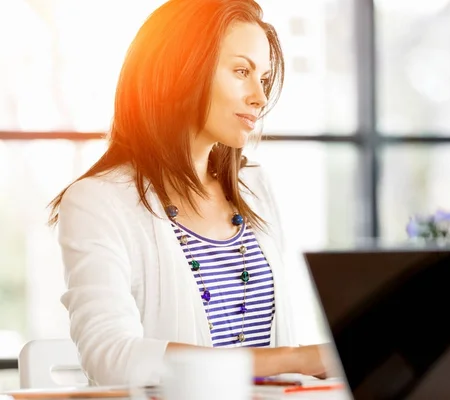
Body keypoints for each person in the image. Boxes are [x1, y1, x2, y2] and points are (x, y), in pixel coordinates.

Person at [48, 0, 332, 386]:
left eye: (262, 79)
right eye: (240, 71)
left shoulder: (255, 189)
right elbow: (111, 357)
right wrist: (296, 358)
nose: (259, 98)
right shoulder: (96, 202)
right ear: (179, 72)